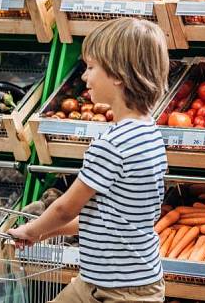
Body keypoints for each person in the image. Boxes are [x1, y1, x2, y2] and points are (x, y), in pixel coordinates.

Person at [9, 18, 170, 303]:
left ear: (118, 75)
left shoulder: (111, 145)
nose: (84, 76)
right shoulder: (150, 134)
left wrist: (32, 229)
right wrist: (43, 235)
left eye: (91, 67)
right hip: (104, 282)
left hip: (124, 293)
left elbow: (64, 208)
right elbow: (105, 219)